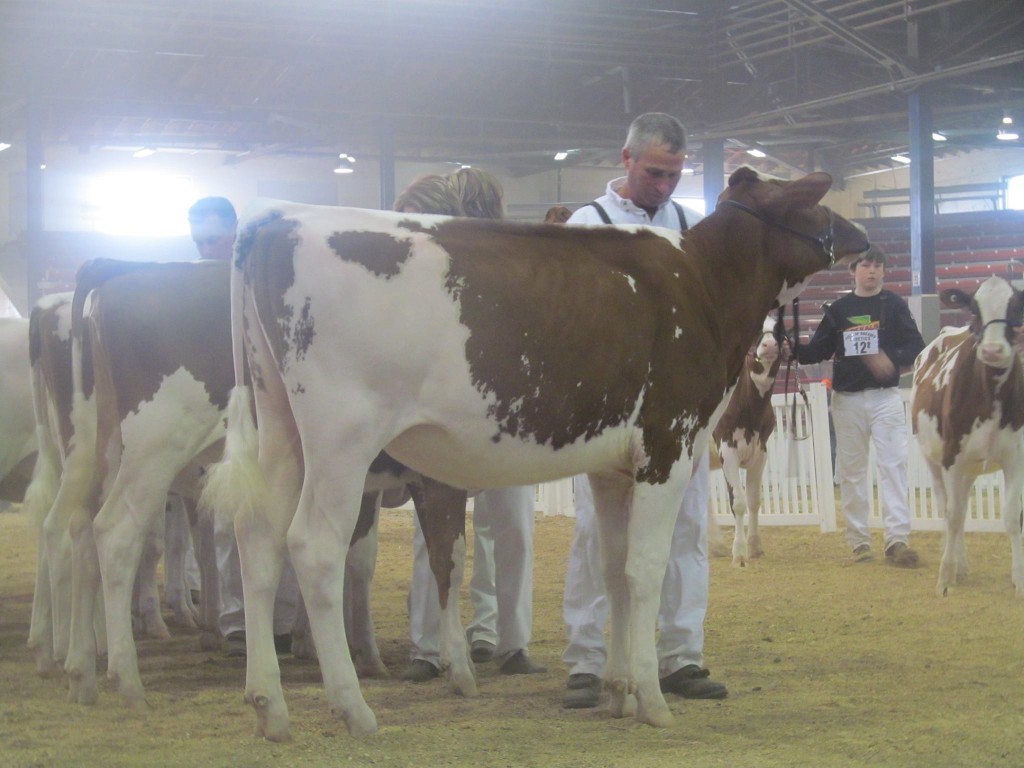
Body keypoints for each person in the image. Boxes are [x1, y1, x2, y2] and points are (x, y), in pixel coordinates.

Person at [561, 112, 727, 709]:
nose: (664, 185)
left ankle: (681, 656)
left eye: (674, 174)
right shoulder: (588, 224)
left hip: (676, 411)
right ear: (626, 159)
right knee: (597, 532)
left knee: (685, 530)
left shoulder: (694, 229)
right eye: (655, 172)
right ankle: (586, 661)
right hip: (604, 407)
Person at [393, 169, 546, 681]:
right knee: (477, 528)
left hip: (496, 407)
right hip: (462, 409)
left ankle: (482, 640)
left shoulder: (509, 260)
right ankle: (466, 641)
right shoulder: (431, 266)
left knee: (482, 526)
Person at [187, 196, 300, 656]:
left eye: (214, 240)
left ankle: (283, 623)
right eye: (199, 242)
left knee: (283, 511)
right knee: (229, 516)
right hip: (221, 413)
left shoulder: (266, 275)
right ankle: (237, 623)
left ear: (234, 231)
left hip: (276, 409)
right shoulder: (193, 286)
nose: (206, 250)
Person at [796, 246, 925, 566]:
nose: (872, 271)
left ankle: (897, 539)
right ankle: (859, 542)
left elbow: (917, 347)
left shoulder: (894, 304)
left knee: (893, 466)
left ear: (884, 271)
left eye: (878, 266)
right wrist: (790, 347)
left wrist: (890, 359)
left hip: (885, 397)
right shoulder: (838, 310)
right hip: (847, 399)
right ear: (852, 270)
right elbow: (817, 351)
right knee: (852, 473)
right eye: (866, 265)